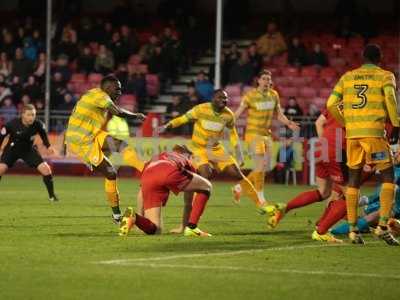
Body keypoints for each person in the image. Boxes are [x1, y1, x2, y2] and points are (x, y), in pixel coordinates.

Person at [160, 89, 269, 232]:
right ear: (213, 98)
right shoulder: (201, 109)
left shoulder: (228, 115)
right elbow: (183, 118)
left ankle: (260, 204)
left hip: (216, 149)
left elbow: (233, 134)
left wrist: (239, 153)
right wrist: (168, 125)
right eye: (221, 98)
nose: (224, 101)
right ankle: (191, 223)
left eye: (226, 99)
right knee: (204, 175)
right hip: (198, 149)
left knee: (237, 173)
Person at [327, 44, 400, 245]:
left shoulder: (347, 77)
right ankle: (383, 226)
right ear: (380, 58)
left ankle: (352, 230)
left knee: (354, 179)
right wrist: (396, 124)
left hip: (353, 136)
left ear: (363, 58)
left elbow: (330, 104)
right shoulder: (386, 76)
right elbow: (391, 100)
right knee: (388, 178)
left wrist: (346, 124)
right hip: (374, 134)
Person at [65, 74, 146, 224]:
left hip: (92, 134)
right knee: (110, 172)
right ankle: (116, 216)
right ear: (108, 88)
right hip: (80, 142)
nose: (120, 92)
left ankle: (146, 171)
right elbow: (118, 112)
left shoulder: (97, 95)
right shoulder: (101, 96)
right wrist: (136, 115)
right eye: (118, 89)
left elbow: (114, 108)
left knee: (120, 144)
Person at [265, 109, 347, 243]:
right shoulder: (357, 107)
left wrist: (324, 143)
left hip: (322, 148)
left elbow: (319, 122)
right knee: (348, 195)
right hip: (337, 152)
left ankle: (286, 208)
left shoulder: (334, 104)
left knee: (323, 192)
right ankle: (323, 229)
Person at [234, 69, 299, 203]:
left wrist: (289, 123)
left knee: (263, 167)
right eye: (264, 79)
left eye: (268, 79)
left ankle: (240, 186)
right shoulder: (249, 96)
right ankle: (260, 197)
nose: (267, 81)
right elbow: (238, 112)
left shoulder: (274, 95)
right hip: (253, 133)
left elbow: (279, 114)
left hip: (266, 135)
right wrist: (229, 123)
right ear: (258, 81)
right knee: (260, 165)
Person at [119, 145, 212, 237]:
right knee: (206, 186)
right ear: (190, 156)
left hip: (148, 175)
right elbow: (188, 203)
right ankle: (192, 228)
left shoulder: (160, 156)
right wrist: (184, 227)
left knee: (156, 229)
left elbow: (141, 191)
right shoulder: (188, 161)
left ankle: (134, 217)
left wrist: (140, 214)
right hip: (168, 170)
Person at [0, 104, 58, 201]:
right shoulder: (12, 124)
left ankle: (52, 197)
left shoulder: (38, 124)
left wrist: (49, 146)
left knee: (46, 169)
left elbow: (43, 135)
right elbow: (1, 137)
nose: (31, 117)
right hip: (12, 149)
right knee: (1, 169)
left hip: (28, 150)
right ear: (22, 115)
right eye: (29, 115)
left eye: (33, 115)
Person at [332, 165, 400, 235]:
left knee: (375, 216)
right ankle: (368, 226)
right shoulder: (391, 168)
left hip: (391, 207)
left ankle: (338, 231)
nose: (396, 155)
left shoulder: (394, 172)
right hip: (383, 206)